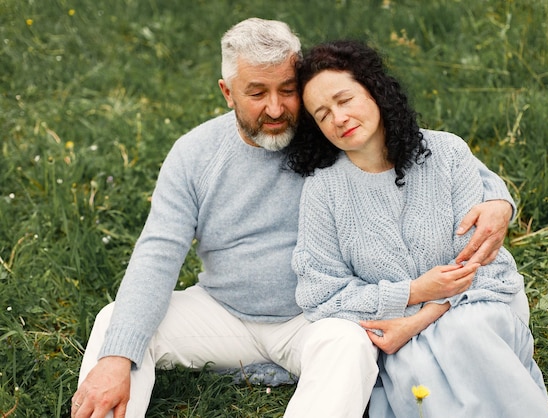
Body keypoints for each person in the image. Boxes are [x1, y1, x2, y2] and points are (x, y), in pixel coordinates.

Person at [71, 18, 519, 418]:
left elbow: (425, 153)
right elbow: (157, 253)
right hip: (222, 311)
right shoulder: (195, 153)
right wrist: (117, 358)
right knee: (116, 325)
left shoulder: (328, 129)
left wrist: (498, 198)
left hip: (316, 318)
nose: (275, 109)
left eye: (287, 90)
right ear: (227, 93)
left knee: (348, 348)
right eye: (256, 92)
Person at [286, 40, 548, 417]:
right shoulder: (323, 190)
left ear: (374, 91)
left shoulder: (447, 154)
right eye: (322, 113)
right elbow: (321, 294)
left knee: (467, 333)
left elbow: (487, 266)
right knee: (416, 368)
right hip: (396, 339)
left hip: (476, 308)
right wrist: (410, 293)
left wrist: (419, 317)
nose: (338, 118)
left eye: (345, 99)